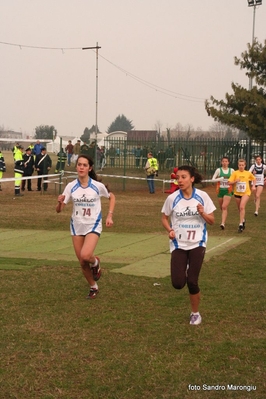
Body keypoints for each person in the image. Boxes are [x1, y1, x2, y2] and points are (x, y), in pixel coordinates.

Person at [161, 165, 216, 325]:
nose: (180, 180)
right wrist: (170, 229)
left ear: (192, 179)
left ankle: (195, 313)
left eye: (183, 177)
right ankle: (183, 268)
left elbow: (212, 221)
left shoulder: (202, 196)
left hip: (198, 243)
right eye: (178, 177)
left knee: (192, 281)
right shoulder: (172, 198)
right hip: (178, 244)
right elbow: (164, 218)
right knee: (178, 284)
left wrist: (202, 213)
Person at [56, 154, 115, 299]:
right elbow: (59, 210)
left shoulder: (97, 186)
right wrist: (59, 202)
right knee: (82, 262)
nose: (81, 167)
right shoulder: (71, 186)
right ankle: (93, 286)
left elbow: (112, 197)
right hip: (77, 226)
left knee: (86, 255)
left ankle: (95, 262)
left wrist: (109, 215)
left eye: (84, 165)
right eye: (79, 164)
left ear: (90, 168)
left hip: (93, 224)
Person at [228, 159, 256, 233]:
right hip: (237, 193)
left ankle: (240, 225)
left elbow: (254, 179)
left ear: (245, 165)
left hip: (246, 193)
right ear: (238, 165)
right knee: (239, 209)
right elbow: (229, 182)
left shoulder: (247, 173)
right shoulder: (235, 173)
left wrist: (253, 186)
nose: (241, 166)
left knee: (242, 207)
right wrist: (235, 181)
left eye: (242, 165)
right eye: (240, 165)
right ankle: (243, 219)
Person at [212, 156, 234, 230]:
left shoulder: (231, 170)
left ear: (228, 162)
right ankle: (224, 218)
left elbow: (235, 178)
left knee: (224, 206)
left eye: (226, 161)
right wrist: (219, 179)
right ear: (221, 162)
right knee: (222, 207)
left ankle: (222, 223)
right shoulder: (218, 170)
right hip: (220, 190)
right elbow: (213, 179)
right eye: (223, 161)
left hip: (228, 190)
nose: (224, 163)